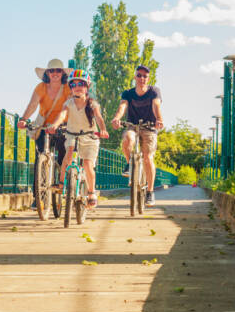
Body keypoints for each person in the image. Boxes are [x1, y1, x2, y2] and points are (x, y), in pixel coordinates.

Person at [49, 70, 109, 208]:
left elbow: (99, 118)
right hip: (72, 135)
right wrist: (55, 125)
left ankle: (91, 192)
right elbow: (62, 115)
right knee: (68, 155)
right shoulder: (69, 103)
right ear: (70, 88)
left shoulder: (92, 104)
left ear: (87, 86)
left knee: (88, 164)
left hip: (90, 137)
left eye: (81, 83)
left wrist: (103, 129)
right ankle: (62, 182)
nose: (77, 86)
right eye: (73, 84)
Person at [111, 65, 163, 206]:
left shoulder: (154, 91)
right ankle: (129, 163)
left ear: (148, 78)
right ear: (135, 77)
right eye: (139, 75)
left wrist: (159, 119)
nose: (142, 78)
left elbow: (156, 105)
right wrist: (116, 118)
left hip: (149, 127)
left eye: (145, 76)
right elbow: (122, 107)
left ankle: (150, 192)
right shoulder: (128, 93)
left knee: (148, 157)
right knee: (128, 139)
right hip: (132, 125)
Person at [17, 58, 69, 198]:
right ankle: (38, 197)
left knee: (63, 154)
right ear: (48, 73)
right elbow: (33, 105)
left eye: (58, 70)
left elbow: (70, 107)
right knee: (40, 158)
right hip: (44, 126)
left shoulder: (68, 88)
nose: (55, 73)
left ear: (63, 73)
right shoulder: (41, 87)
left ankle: (61, 184)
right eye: (52, 71)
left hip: (62, 125)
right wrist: (23, 119)